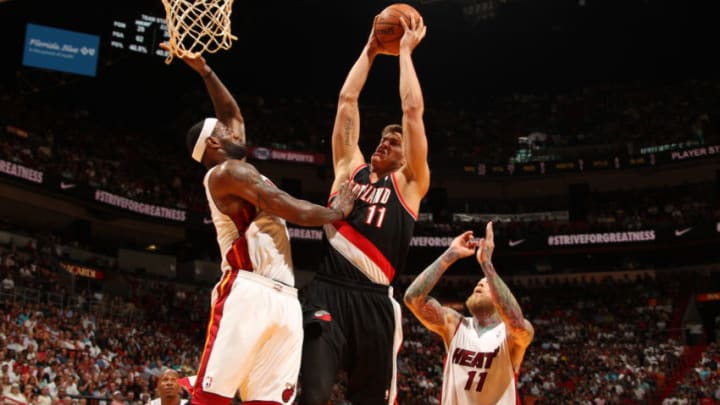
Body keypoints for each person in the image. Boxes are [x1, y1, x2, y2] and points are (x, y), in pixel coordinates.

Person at [162, 42, 358, 405]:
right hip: (246, 289)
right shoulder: (226, 174)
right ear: (215, 145)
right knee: (212, 397)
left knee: (269, 401)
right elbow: (286, 206)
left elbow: (232, 113)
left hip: (285, 296)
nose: (238, 131)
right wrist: (337, 212)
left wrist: (205, 71)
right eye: (228, 132)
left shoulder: (235, 162)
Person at [298, 13, 429, 405]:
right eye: (382, 140)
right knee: (314, 394)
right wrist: (370, 50)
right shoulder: (347, 170)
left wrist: (404, 52)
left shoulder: (409, 184)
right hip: (326, 293)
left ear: (407, 159)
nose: (383, 144)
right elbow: (347, 100)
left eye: (394, 144)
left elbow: (412, 113)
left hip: (375, 302)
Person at [404, 222, 534, 404]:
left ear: (499, 298)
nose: (480, 284)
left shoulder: (510, 334)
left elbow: (518, 324)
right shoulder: (454, 324)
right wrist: (450, 255)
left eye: (487, 283)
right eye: (479, 283)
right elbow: (412, 298)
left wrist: (486, 265)